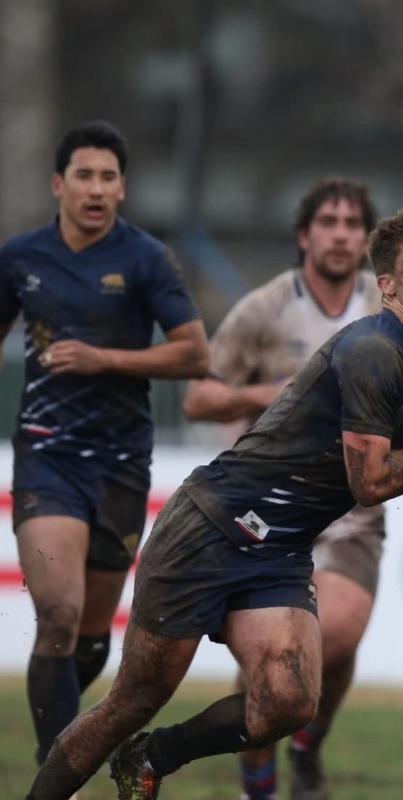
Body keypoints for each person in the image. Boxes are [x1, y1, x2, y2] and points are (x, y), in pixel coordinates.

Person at [26, 205, 403, 800]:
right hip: (208, 528)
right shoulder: (372, 350)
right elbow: (370, 484)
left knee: (288, 701)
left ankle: (153, 756)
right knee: (134, 699)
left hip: (276, 550)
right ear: (387, 284)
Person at [182, 178, 403, 800]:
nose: (340, 233)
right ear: (304, 236)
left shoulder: (396, 298)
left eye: (351, 223)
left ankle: (306, 743)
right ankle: (258, 773)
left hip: (351, 505)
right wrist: (280, 395)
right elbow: (198, 397)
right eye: (328, 222)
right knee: (283, 659)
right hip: (269, 501)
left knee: (333, 633)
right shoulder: (264, 308)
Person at [0, 120, 209, 775]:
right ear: (58, 184)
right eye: (84, 176)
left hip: (121, 463)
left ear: (122, 190)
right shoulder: (19, 259)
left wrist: (104, 359)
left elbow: (194, 353)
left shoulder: (146, 259)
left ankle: (67, 737)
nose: (96, 188)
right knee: (57, 617)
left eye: (109, 177)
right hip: (46, 456)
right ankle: (55, 768)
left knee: (89, 639)